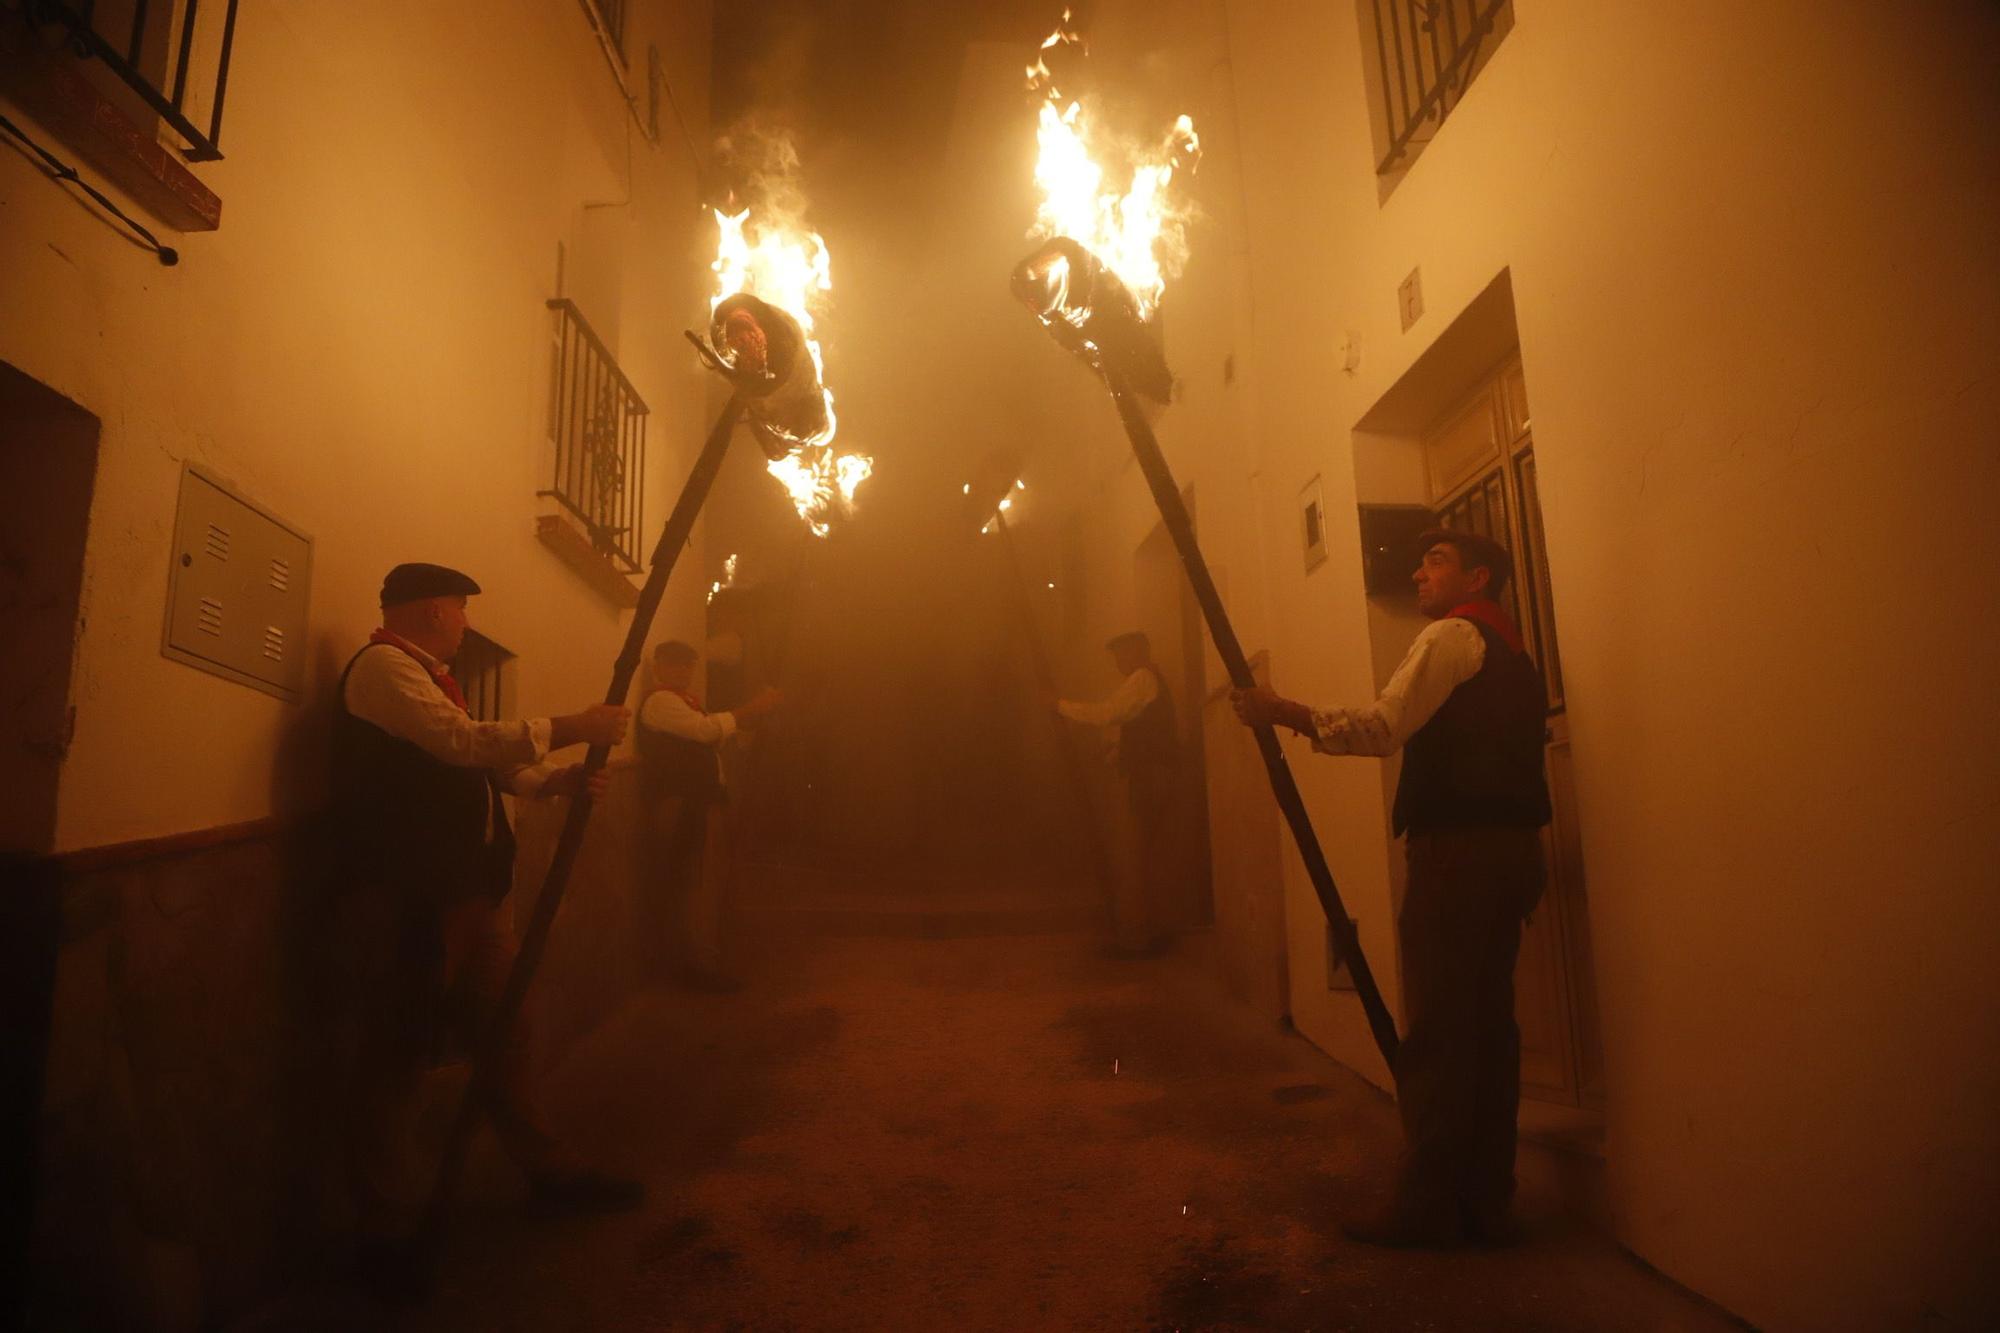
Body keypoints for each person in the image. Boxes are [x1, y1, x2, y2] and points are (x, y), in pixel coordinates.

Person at [1234, 529, 1550, 1248]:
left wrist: (1283, 711)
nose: (1417, 571)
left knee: (1442, 1032)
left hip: (1460, 861)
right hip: (1510, 856)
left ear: (1477, 577)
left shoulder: (1451, 639)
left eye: (1435, 561)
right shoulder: (1516, 654)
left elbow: (1380, 728)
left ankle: (1429, 1207)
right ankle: (1485, 1200)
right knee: (1488, 1032)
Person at [330, 561, 642, 1274]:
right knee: (399, 1054)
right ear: (435, 610)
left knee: (507, 1030)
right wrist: (570, 727)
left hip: (472, 891)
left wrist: (551, 780)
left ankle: (549, 1172)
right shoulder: (384, 669)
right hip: (417, 898)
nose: (467, 624)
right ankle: (385, 1230)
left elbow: (478, 765)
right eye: (462, 610)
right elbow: (458, 743)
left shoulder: (431, 676)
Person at [636, 639, 780, 988]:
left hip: (698, 803)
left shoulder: (685, 704)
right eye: (674, 664)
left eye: (687, 665)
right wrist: (752, 708)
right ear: (659, 668)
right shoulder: (660, 702)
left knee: (702, 881)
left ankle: (700, 960)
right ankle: (696, 966)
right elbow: (706, 731)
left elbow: (710, 735)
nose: (682, 671)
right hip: (683, 805)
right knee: (695, 883)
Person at [1058, 631, 1181, 954]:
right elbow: (1131, 726)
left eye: (1121, 653)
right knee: (1147, 852)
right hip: (1154, 773)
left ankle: (1140, 937)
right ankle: (1149, 932)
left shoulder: (1142, 678)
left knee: (1139, 852)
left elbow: (1108, 713)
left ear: (1138, 652)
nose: (1117, 661)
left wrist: (1060, 707)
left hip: (1151, 775)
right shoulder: (1149, 681)